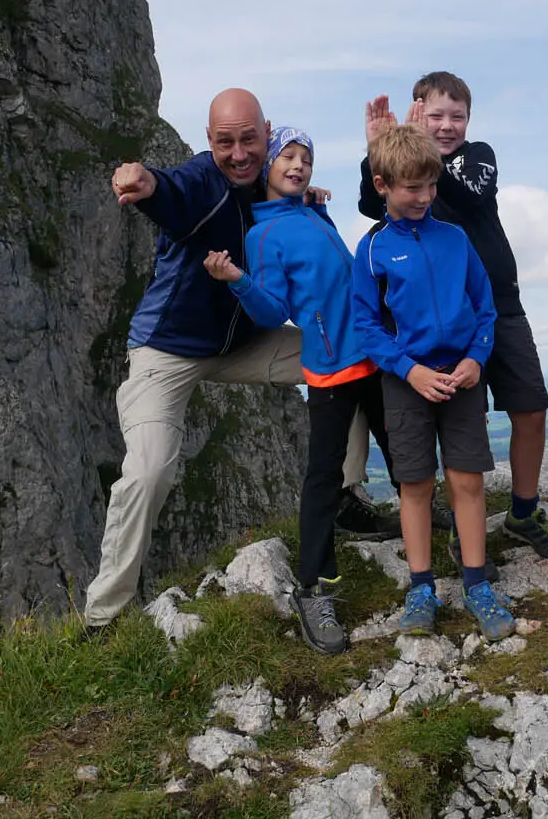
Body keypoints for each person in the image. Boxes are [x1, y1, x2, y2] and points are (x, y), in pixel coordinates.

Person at [83, 89, 328, 634]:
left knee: (345, 357)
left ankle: (350, 493)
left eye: (249, 140)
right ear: (209, 142)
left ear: (267, 134)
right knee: (148, 471)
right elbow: (172, 191)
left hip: (242, 345)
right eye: (225, 143)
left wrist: (311, 199)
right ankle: (103, 617)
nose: (239, 154)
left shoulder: (275, 186)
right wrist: (144, 183)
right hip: (167, 350)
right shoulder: (202, 181)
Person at [358, 72, 548, 564]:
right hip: (440, 322)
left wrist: (423, 153)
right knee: (459, 424)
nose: (447, 125)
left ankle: (523, 511)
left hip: (498, 306)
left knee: (530, 407)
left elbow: (473, 195)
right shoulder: (408, 178)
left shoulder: (478, 157)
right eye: (435, 116)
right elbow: (372, 205)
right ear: (418, 112)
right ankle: (461, 529)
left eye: (458, 116)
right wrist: (380, 152)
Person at [203, 127, 398, 654]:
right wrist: (238, 281)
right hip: (332, 367)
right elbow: (274, 311)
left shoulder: (311, 213)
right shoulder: (263, 235)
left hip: (372, 353)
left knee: (403, 449)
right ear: (267, 165)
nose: (298, 165)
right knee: (323, 478)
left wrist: (318, 206)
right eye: (287, 156)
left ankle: (427, 533)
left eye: (305, 158)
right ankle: (313, 588)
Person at [351, 126, 516, 641]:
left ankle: (477, 584)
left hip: (462, 378)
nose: (424, 197)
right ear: (382, 185)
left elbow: (484, 307)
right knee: (416, 484)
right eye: (412, 187)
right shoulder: (373, 249)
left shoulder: (456, 238)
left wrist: (477, 359)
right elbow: (366, 326)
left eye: (430, 185)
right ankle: (421, 587)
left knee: (468, 482)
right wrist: (409, 371)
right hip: (407, 382)